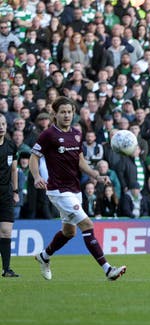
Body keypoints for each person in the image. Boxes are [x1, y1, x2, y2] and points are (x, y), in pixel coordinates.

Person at [30, 97, 126, 281]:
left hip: (74, 190)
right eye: (63, 112)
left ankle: (44, 256)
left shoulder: (76, 133)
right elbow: (34, 157)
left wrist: (96, 175)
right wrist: (36, 177)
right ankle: (108, 269)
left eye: (69, 112)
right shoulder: (48, 135)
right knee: (87, 225)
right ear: (55, 114)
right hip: (58, 190)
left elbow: (81, 161)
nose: (67, 115)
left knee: (69, 232)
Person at [0, 114, 19, 277]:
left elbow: (14, 170)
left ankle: (6, 269)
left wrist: (16, 191)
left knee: (6, 231)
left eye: (3, 124)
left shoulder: (11, 146)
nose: (1, 126)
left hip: (5, 194)